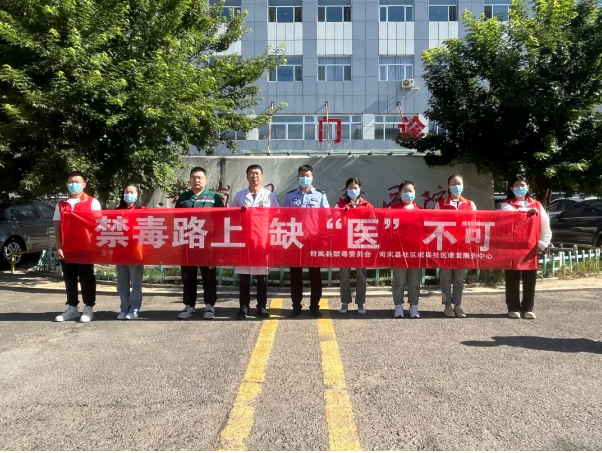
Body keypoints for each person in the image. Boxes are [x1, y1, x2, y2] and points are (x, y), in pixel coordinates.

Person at [231, 164, 280, 320]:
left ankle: (262, 306)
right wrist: (240, 212)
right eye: (251, 173)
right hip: (244, 240)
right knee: (244, 277)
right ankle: (243, 307)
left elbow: (277, 214)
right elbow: (231, 215)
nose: (254, 176)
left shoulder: (269, 196)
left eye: (257, 173)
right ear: (247, 176)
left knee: (261, 277)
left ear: (262, 176)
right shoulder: (239, 195)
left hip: (262, 241)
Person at [175, 167, 224, 320]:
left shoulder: (214, 198)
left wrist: (217, 244)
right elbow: (176, 221)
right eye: (193, 177)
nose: (196, 180)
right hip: (188, 244)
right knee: (188, 277)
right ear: (190, 180)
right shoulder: (183, 198)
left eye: (199, 178)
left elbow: (221, 221)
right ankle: (190, 306)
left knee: (208, 277)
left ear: (205, 180)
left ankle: (209, 306)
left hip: (207, 245)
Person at [501, 176, 552, 319]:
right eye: (516, 186)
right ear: (511, 189)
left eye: (522, 185)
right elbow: (510, 215)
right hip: (512, 248)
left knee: (530, 279)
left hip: (531, 247)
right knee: (512, 278)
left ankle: (528, 308)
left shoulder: (536, 204)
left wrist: (542, 244)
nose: (520, 188)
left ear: (528, 187)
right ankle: (513, 307)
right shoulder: (507, 204)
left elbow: (545, 225)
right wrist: (528, 211)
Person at [54, 171, 101, 323]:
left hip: (85, 248)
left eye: (77, 182)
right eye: (71, 182)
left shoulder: (92, 202)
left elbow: (97, 225)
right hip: (67, 248)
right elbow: (57, 227)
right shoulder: (61, 204)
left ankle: (89, 307)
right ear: (66, 184)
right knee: (69, 278)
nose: (74, 184)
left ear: (84, 184)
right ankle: (72, 308)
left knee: (86, 278)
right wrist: (59, 247)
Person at [283, 164, 329, 318]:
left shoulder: (320, 195)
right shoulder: (290, 196)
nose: (305, 178)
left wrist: (322, 237)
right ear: (298, 177)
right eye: (302, 175)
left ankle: (314, 307)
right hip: (295, 240)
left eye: (307, 175)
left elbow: (326, 217)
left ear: (312, 177)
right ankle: (296, 307)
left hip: (314, 241)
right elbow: (284, 217)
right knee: (295, 276)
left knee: (315, 277)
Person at [434, 174, 477, 318]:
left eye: (459, 183)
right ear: (448, 186)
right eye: (453, 183)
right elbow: (436, 225)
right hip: (446, 246)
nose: (456, 186)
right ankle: (447, 305)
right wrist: (449, 237)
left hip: (462, 247)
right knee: (445, 278)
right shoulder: (440, 204)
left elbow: (474, 225)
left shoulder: (470, 204)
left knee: (459, 278)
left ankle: (458, 305)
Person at [336, 177, 373, 315]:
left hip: (361, 245)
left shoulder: (367, 205)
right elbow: (332, 220)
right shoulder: (340, 204)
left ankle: (361, 303)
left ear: (360, 189)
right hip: (344, 245)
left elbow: (374, 222)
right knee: (344, 275)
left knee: (361, 275)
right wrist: (343, 213)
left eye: (355, 188)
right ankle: (345, 302)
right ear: (346, 189)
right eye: (350, 188)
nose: (353, 190)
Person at [391, 180, 422, 318]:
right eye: (405, 191)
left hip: (415, 251)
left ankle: (414, 306)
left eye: (410, 191)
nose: (408, 193)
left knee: (414, 280)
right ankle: (398, 306)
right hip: (399, 250)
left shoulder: (420, 211)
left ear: (415, 192)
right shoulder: (393, 209)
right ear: (400, 193)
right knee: (399, 280)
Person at [115, 183, 146, 320]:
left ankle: (134, 308)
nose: (128, 194)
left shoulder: (143, 210)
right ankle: (124, 308)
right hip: (120, 251)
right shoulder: (116, 211)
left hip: (135, 251)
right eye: (126, 192)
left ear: (137, 194)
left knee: (135, 282)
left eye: (132, 192)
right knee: (122, 283)